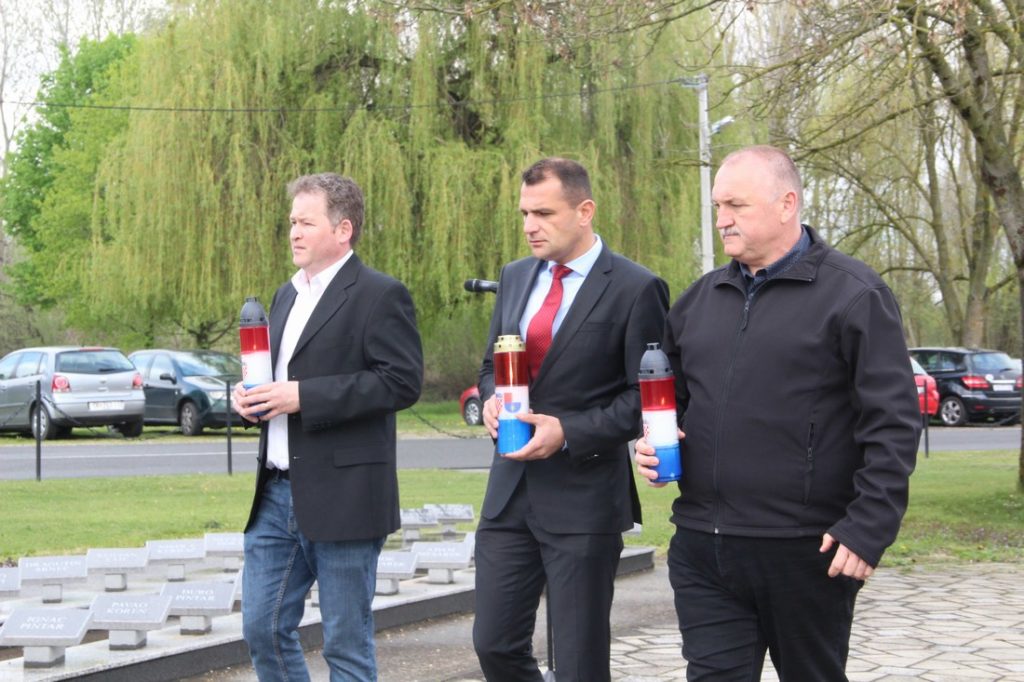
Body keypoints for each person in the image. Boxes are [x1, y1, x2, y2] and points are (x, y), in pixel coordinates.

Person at [635, 145, 921, 681]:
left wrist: (868, 528)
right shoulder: (698, 302)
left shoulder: (855, 295)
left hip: (807, 551)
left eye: (736, 205)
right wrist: (653, 444)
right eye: (718, 206)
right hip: (703, 546)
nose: (722, 219)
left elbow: (894, 423)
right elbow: (671, 406)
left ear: (787, 203)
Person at [473, 157, 669, 682]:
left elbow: (647, 397)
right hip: (509, 493)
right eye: (524, 213)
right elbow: (491, 365)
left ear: (585, 211)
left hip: (584, 500)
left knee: (580, 662)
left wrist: (568, 433)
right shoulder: (515, 276)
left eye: (543, 213)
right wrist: (491, 399)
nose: (529, 225)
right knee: (493, 645)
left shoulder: (636, 287)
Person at [232, 173, 423, 681]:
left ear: (343, 230)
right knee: (261, 629)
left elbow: (401, 383)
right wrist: (249, 398)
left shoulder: (380, 294)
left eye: (306, 223)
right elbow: (276, 377)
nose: (293, 232)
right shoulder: (285, 295)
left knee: (345, 644)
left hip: (346, 494)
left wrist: (303, 397)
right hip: (275, 494)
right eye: (292, 222)